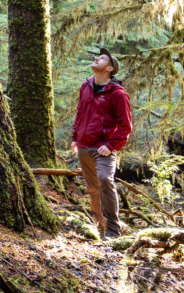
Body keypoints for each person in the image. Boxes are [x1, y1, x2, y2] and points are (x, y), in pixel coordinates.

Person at [71, 47, 133, 240]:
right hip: (83, 146)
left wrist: (111, 145)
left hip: (103, 148)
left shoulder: (117, 94)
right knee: (92, 188)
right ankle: (100, 228)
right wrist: (75, 138)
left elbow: (126, 126)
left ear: (109, 68)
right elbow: (80, 112)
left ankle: (113, 231)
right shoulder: (86, 86)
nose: (97, 58)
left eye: (102, 58)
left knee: (105, 180)